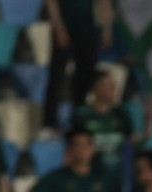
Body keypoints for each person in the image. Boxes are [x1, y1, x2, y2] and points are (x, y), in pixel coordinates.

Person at [42, 0, 115, 129]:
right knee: (57, 77)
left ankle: (78, 120)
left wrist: (106, 29)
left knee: (85, 78)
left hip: (88, 28)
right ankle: (49, 123)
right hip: (66, 25)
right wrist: (58, 26)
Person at [70, 69, 138, 174]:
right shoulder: (82, 114)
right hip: (89, 170)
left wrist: (147, 129)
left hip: (116, 169)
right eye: (108, 85)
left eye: (113, 85)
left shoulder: (121, 113)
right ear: (95, 88)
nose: (113, 89)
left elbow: (131, 140)